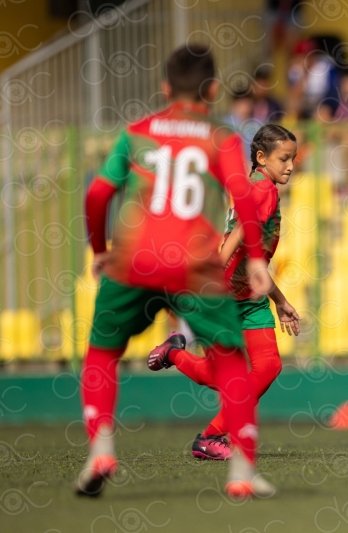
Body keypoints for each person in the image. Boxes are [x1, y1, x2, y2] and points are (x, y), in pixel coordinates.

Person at [76, 44, 275, 499]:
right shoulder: (219, 136)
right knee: (231, 362)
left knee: (102, 354)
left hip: (132, 259)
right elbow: (242, 197)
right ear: (211, 89)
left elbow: (97, 196)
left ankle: (101, 451)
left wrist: (99, 249)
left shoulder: (136, 132)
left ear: (165, 87)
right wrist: (258, 259)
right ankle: (242, 473)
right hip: (195, 265)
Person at [148, 125, 301, 461]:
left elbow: (253, 255)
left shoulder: (253, 188)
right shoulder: (265, 190)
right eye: (284, 158)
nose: (290, 165)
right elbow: (245, 233)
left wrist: (281, 301)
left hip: (249, 294)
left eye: (293, 158)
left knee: (262, 367)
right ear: (261, 158)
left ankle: (174, 354)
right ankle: (210, 436)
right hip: (226, 295)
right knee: (231, 376)